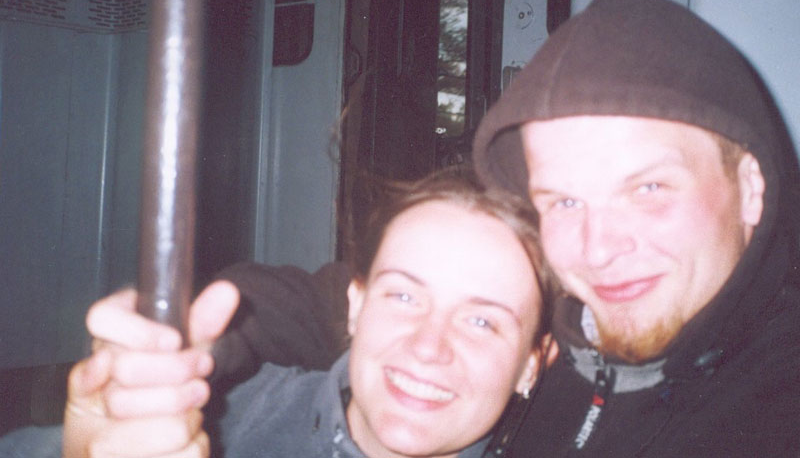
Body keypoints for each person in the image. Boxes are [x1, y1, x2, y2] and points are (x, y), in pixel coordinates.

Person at [208, 0, 800, 456]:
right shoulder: (570, 307)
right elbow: (332, 302)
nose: (597, 250)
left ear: (750, 187)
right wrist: (186, 344)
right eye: (563, 202)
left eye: (649, 189)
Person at [0, 169, 555, 458]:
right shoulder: (219, 423)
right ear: (355, 306)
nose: (429, 346)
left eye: (482, 321)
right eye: (404, 297)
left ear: (533, 363)